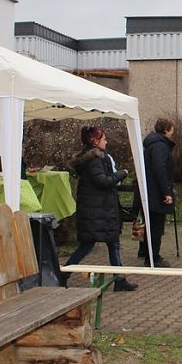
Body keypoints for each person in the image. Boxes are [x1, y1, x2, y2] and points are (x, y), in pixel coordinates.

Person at [63, 125, 137, 291]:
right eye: (104, 139)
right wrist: (121, 173)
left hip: (100, 210)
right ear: (95, 141)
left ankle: (119, 278)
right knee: (88, 246)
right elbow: (103, 181)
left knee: (112, 244)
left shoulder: (92, 159)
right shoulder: (95, 160)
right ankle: (64, 273)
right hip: (98, 211)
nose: (106, 141)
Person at [140, 118, 176, 268]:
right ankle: (153, 257)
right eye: (172, 129)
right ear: (166, 130)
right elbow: (160, 169)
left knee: (151, 224)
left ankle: (148, 252)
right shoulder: (160, 146)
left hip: (150, 190)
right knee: (156, 226)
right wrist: (166, 192)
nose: (173, 131)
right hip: (156, 193)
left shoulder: (151, 144)